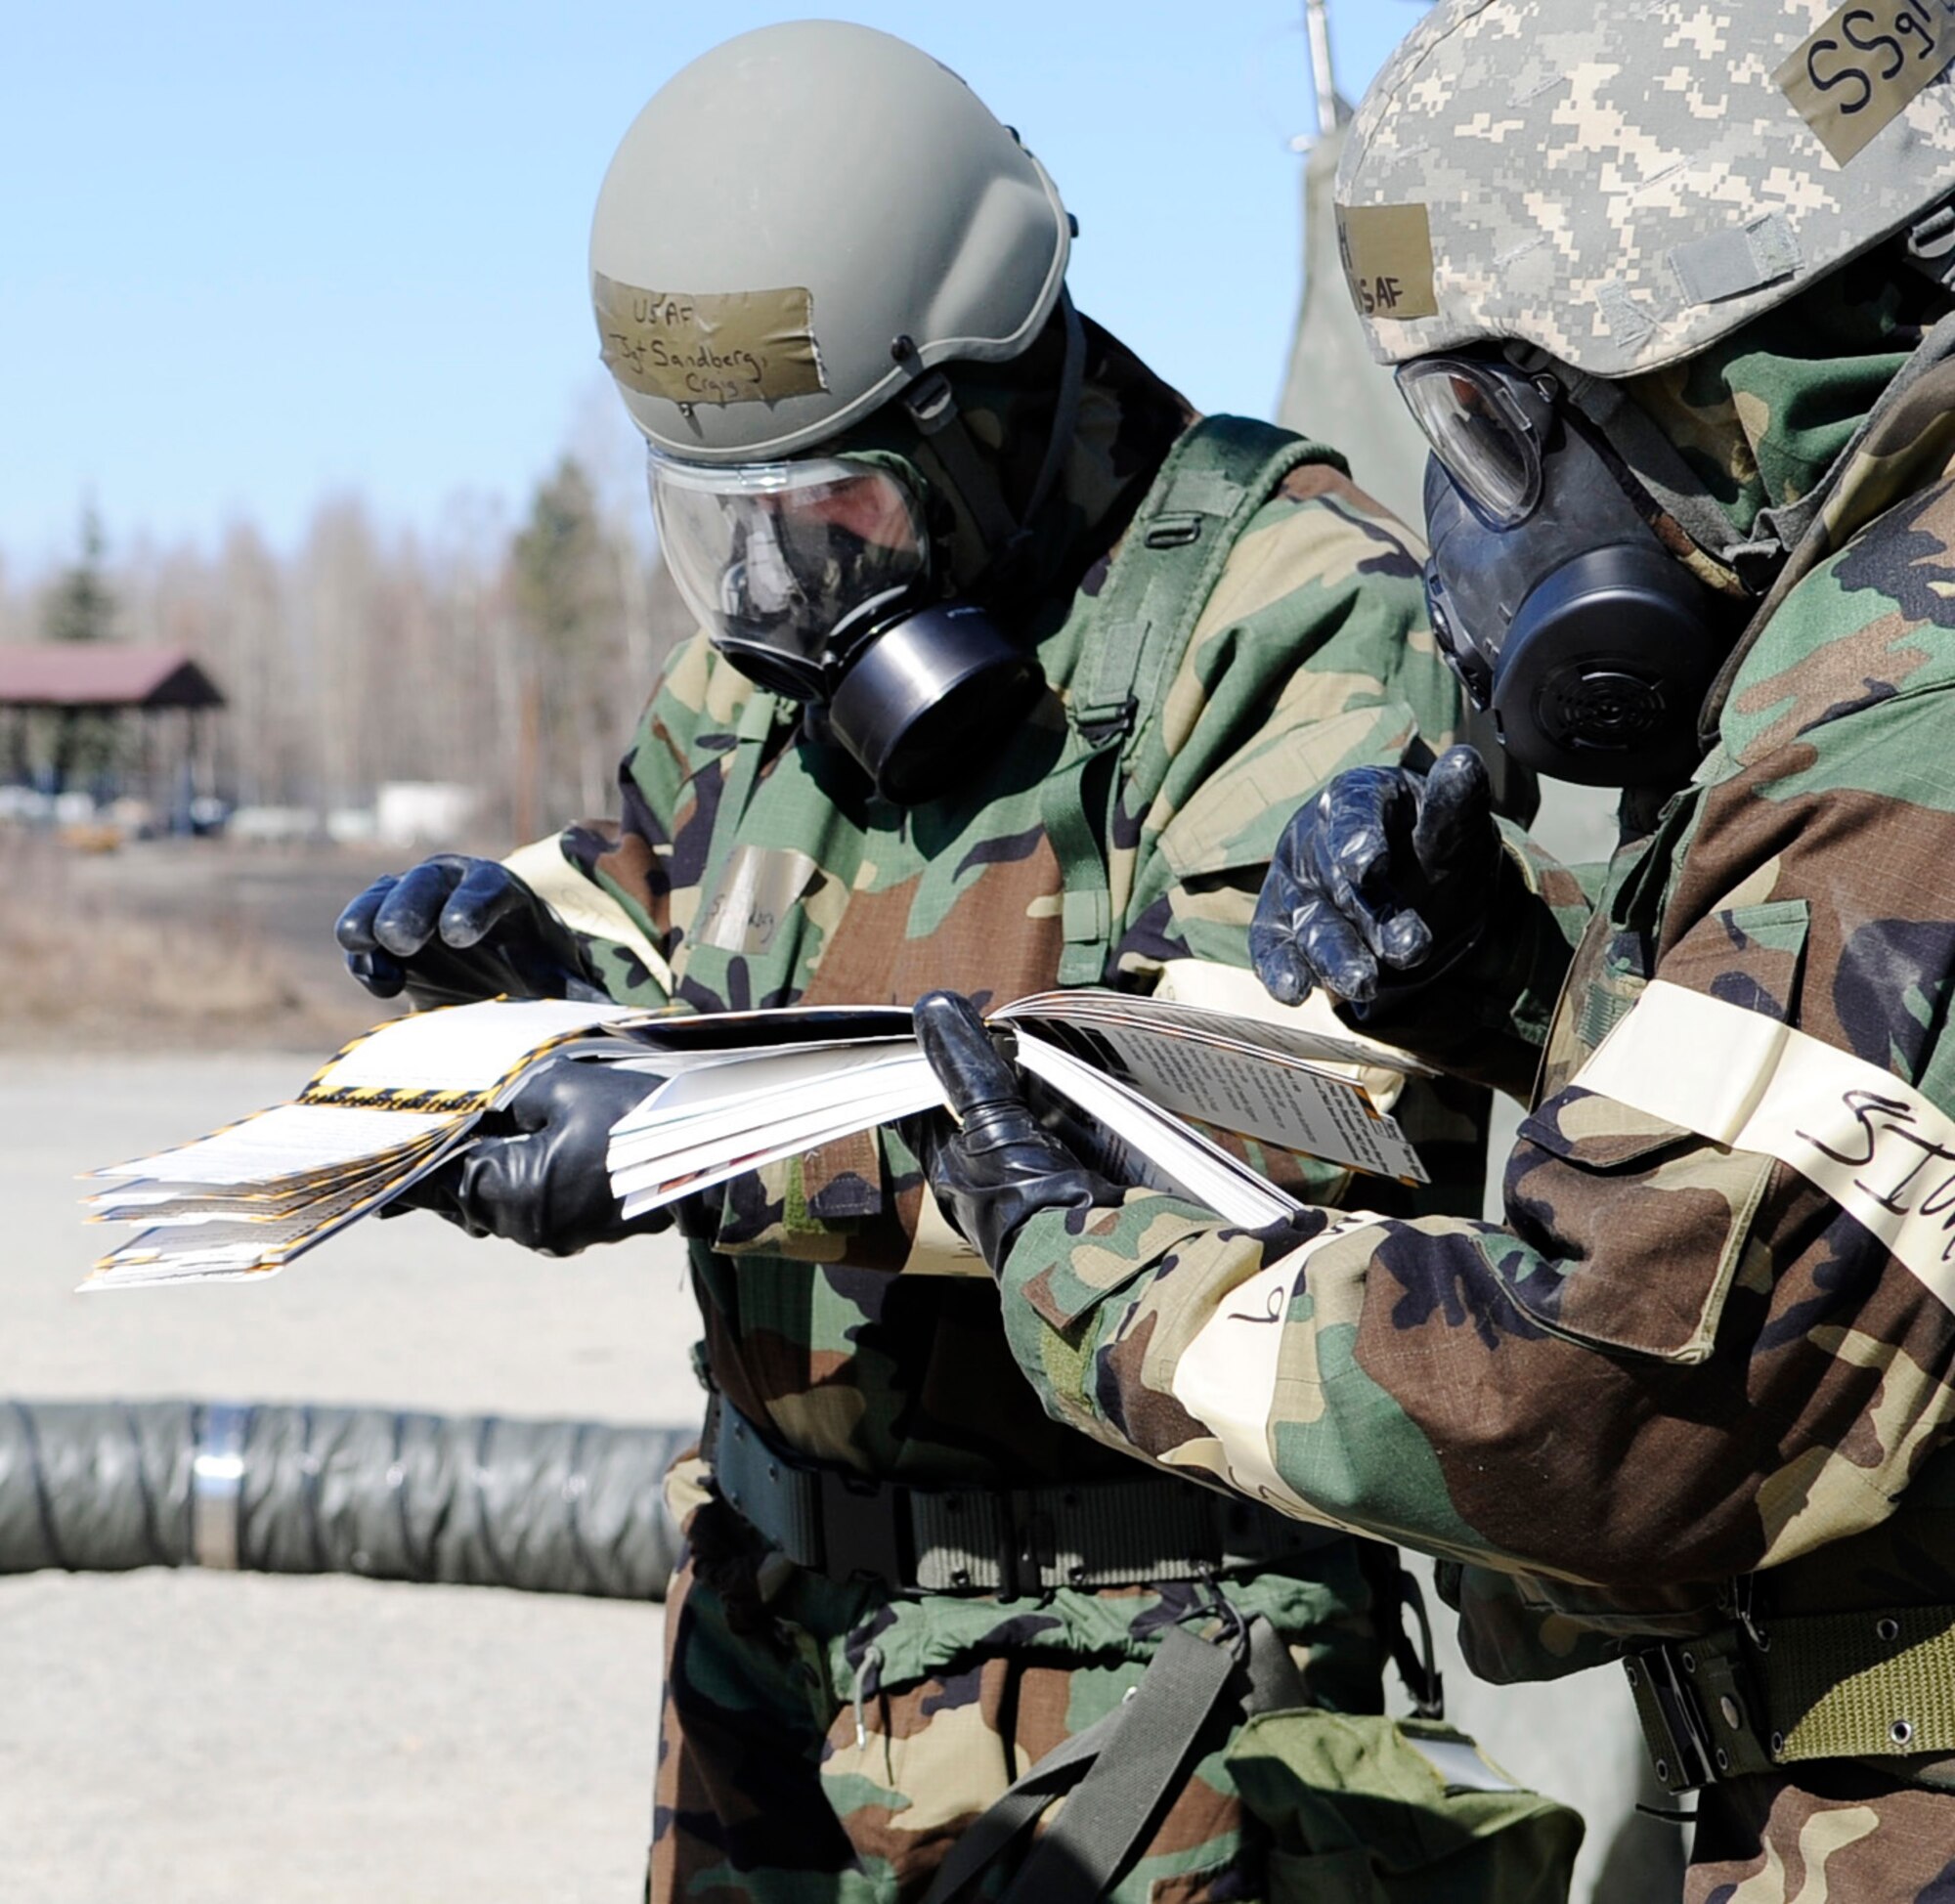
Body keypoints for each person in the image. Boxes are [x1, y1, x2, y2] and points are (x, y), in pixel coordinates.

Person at [332, 22, 1543, 1900]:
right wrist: (525, 955)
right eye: (729, 528)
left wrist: (692, 1141)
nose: (779, 587)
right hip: (772, 1632)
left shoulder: (1291, 607)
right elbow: (662, 884)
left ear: (984, 405)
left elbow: (1276, 1123)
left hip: (1143, 1667)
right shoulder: (793, 612)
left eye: (834, 512)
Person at [913, 2, 1955, 1897]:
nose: (1472, 521)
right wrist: (1516, 980)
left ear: (1683, 352)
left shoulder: (1904, 700)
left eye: (1489, 421)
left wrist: (1089, 1265)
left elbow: (1602, 1406)